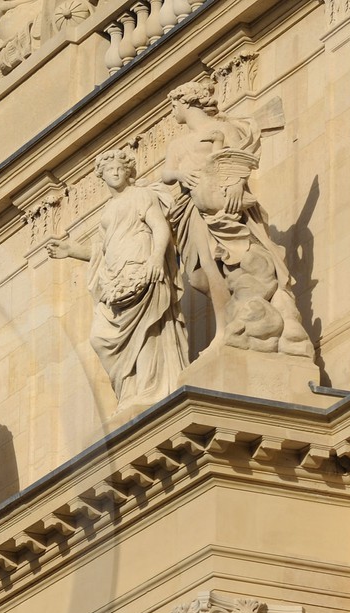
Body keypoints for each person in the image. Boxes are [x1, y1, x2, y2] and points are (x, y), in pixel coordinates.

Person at [157, 80, 309, 356]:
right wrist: (180, 175)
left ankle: (227, 329)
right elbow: (166, 173)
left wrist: (238, 184)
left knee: (222, 268)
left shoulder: (222, 129)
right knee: (197, 277)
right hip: (192, 209)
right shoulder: (179, 144)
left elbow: (240, 159)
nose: (173, 112)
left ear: (186, 102)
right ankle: (232, 320)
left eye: (174, 105)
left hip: (224, 205)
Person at [47, 146, 189, 409]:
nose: (114, 173)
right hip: (117, 281)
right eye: (109, 170)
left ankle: (150, 390)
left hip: (143, 270)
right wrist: (71, 251)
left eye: (119, 169)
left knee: (149, 332)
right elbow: (100, 253)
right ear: (102, 175)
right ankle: (129, 391)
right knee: (99, 338)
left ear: (127, 172)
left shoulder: (141, 195)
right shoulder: (108, 211)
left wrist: (157, 259)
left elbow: (159, 227)